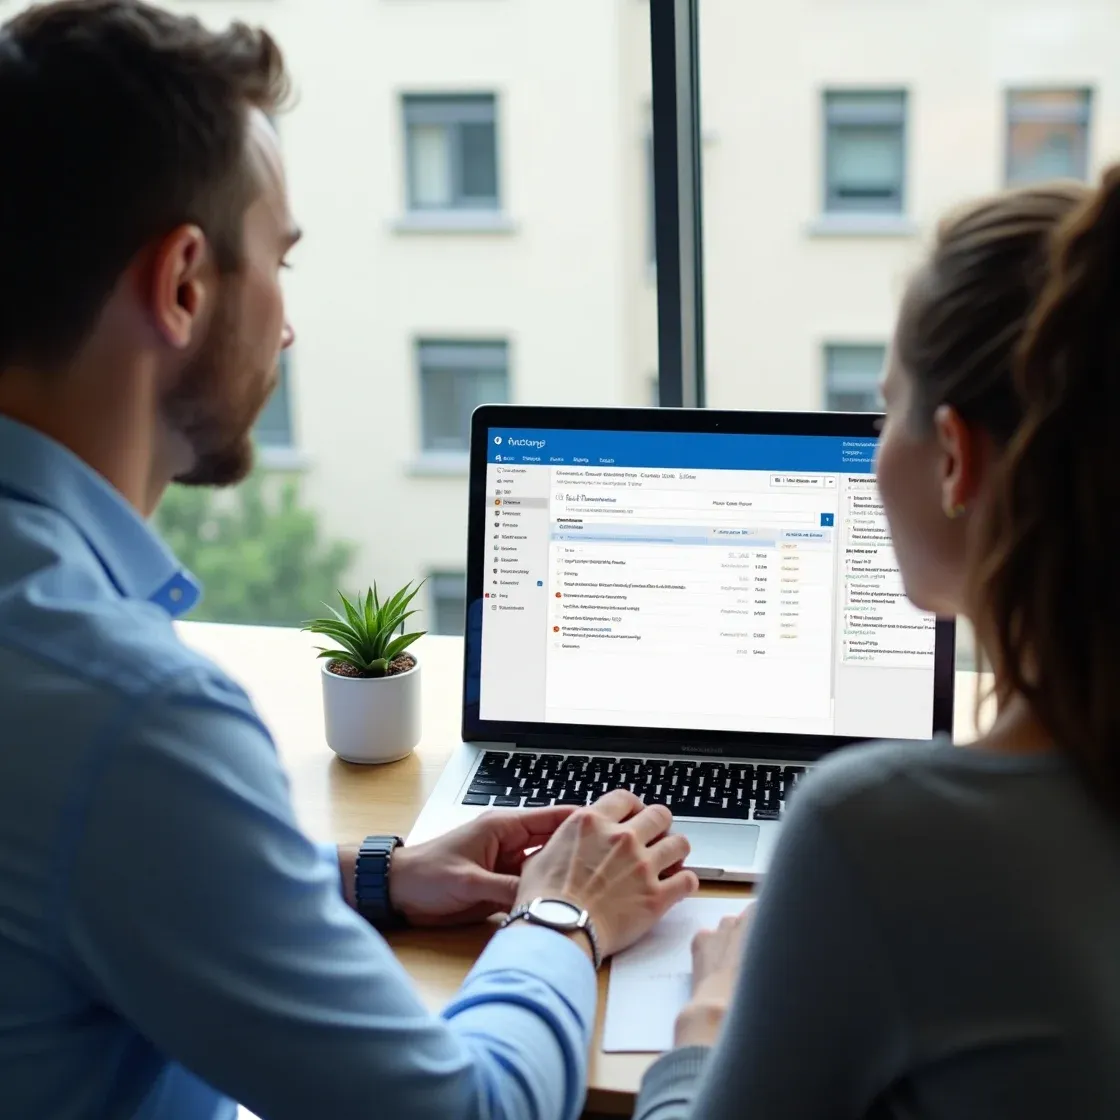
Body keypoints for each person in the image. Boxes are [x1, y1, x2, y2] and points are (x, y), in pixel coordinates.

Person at [0, 3, 700, 1119]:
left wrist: (369, 875)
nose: (286, 325)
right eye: (278, 259)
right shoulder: (126, 710)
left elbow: (84, 874)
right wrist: (562, 914)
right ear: (183, 282)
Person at [634, 171, 1120, 1119]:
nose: (869, 443)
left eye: (885, 408)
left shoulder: (882, 832)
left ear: (954, 457)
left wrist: (705, 1024)